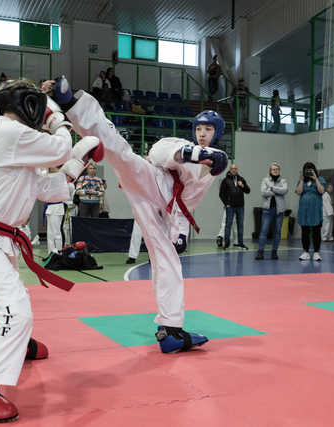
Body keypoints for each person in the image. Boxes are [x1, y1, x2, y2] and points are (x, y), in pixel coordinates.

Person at [0, 78, 100, 422]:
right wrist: (58, 119)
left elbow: (51, 189)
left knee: (14, 300)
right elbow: (60, 149)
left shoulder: (12, 140)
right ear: (29, 106)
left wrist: (78, 160)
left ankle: (17, 345)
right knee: (14, 308)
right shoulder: (10, 134)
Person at [47, 77, 228, 353]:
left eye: (209, 129)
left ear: (218, 132)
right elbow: (158, 152)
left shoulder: (215, 158)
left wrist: (179, 233)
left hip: (161, 207)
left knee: (167, 261)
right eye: (200, 128)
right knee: (120, 151)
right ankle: (71, 103)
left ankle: (171, 329)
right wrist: (188, 152)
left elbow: (187, 204)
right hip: (152, 182)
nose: (203, 133)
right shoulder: (183, 144)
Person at [255, 162, 288, 260]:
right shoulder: (265, 180)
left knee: (277, 232)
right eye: (273, 169)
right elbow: (263, 193)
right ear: (270, 171)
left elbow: (285, 190)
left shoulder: (283, 180)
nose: (275, 171)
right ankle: (260, 252)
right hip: (267, 210)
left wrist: (272, 188)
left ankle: (274, 252)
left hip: (279, 211)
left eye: (277, 169)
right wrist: (277, 191)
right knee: (264, 231)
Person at [296, 162, 326, 261]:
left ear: (314, 170)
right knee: (305, 231)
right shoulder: (302, 181)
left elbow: (321, 191)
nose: (308, 171)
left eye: (310, 169)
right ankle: (305, 252)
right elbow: (299, 192)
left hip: (315, 210)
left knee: (316, 231)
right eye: (307, 170)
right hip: (304, 210)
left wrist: (315, 179)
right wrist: (301, 180)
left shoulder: (320, 179)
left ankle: (316, 252)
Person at [219, 163, 250, 250]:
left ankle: (241, 243)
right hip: (230, 207)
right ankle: (227, 244)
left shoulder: (241, 179)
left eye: (235, 168)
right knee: (228, 225)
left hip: (240, 206)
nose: (234, 170)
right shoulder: (225, 180)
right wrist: (226, 204)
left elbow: (248, 191)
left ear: (237, 170)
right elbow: (221, 194)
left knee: (240, 225)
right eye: (232, 168)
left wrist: (242, 186)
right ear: (229, 169)